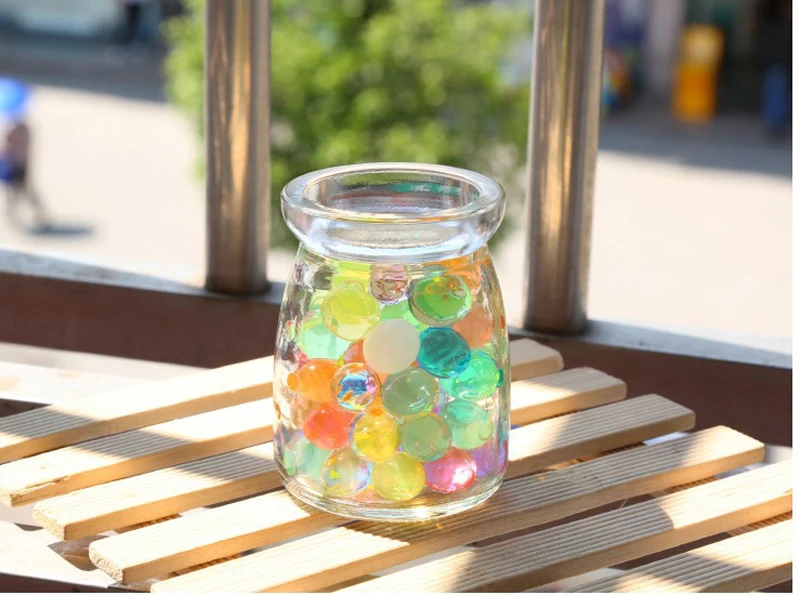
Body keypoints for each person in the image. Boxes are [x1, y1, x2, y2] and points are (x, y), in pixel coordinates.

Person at [3, 118, 46, 228]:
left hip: (14, 164)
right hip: (23, 163)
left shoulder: (13, 129)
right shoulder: (25, 128)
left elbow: (8, 147)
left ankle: (14, 211)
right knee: (22, 189)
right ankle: (35, 210)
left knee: (18, 190)